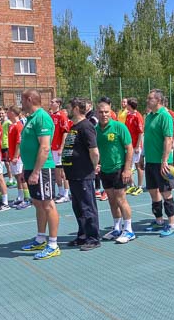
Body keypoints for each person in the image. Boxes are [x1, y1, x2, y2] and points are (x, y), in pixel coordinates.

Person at [19, 89, 60, 260]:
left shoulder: (42, 117)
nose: (21, 103)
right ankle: (41, 238)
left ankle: (53, 244)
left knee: (48, 204)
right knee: (37, 203)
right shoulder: (31, 118)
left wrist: (36, 171)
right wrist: (25, 169)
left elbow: (44, 147)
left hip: (42, 169)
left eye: (22, 100)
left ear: (29, 100)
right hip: (31, 168)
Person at [63, 97, 101, 251]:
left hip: (83, 174)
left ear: (76, 109)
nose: (67, 110)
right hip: (73, 174)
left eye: (69, 107)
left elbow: (94, 151)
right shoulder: (75, 127)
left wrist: (93, 167)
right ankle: (83, 235)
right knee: (78, 207)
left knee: (87, 207)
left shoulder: (86, 126)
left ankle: (93, 238)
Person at [96, 99, 136, 244]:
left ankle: (129, 230)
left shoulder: (119, 127)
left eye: (106, 112)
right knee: (112, 201)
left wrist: (127, 169)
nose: (104, 115)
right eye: (101, 112)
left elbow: (129, 148)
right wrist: (97, 164)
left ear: (110, 112)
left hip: (119, 169)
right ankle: (117, 228)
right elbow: (96, 151)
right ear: (96, 113)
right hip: (105, 170)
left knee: (121, 199)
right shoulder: (95, 130)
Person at [141, 89, 174, 237]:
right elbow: (147, 138)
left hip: (162, 163)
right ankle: (159, 221)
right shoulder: (149, 116)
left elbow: (168, 139)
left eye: (150, 98)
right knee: (152, 191)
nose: (147, 101)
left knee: (166, 192)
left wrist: (164, 161)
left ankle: (172, 224)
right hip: (150, 161)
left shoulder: (165, 116)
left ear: (159, 101)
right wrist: (142, 155)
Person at [7, 105, 30, 210]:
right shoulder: (11, 125)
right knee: (17, 178)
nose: (7, 113)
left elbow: (19, 142)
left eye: (8, 111)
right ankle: (21, 197)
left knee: (22, 178)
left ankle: (27, 199)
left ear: (13, 113)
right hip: (12, 156)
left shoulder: (18, 126)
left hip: (18, 157)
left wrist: (16, 156)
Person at [50, 97, 72, 203]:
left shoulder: (62, 116)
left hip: (59, 148)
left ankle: (66, 194)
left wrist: (62, 147)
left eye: (52, 102)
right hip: (52, 148)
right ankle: (60, 192)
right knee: (56, 171)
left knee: (63, 171)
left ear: (58, 104)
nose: (51, 103)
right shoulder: (51, 116)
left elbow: (65, 132)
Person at [124, 98, 145, 196]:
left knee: (138, 166)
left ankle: (140, 187)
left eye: (127, 104)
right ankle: (132, 185)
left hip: (136, 146)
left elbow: (141, 132)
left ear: (130, 105)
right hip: (129, 145)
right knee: (128, 165)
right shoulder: (128, 115)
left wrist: (137, 146)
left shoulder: (138, 116)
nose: (125, 105)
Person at [0, 107, 15, 187]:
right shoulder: (1, 122)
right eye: (0, 113)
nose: (1, 115)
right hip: (2, 145)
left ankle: (12, 179)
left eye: (2, 113)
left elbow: (11, 132)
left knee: (8, 163)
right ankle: (11, 178)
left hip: (7, 144)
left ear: (5, 113)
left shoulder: (8, 122)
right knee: (6, 163)